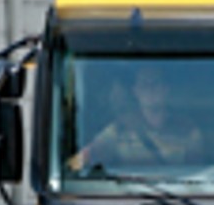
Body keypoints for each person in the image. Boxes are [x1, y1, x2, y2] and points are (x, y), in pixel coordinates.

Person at [70, 64, 204, 170]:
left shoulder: (187, 129)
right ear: (136, 91)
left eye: (155, 83)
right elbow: (80, 161)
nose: (150, 89)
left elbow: (198, 174)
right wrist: (65, 170)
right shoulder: (120, 128)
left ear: (166, 88)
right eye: (144, 84)